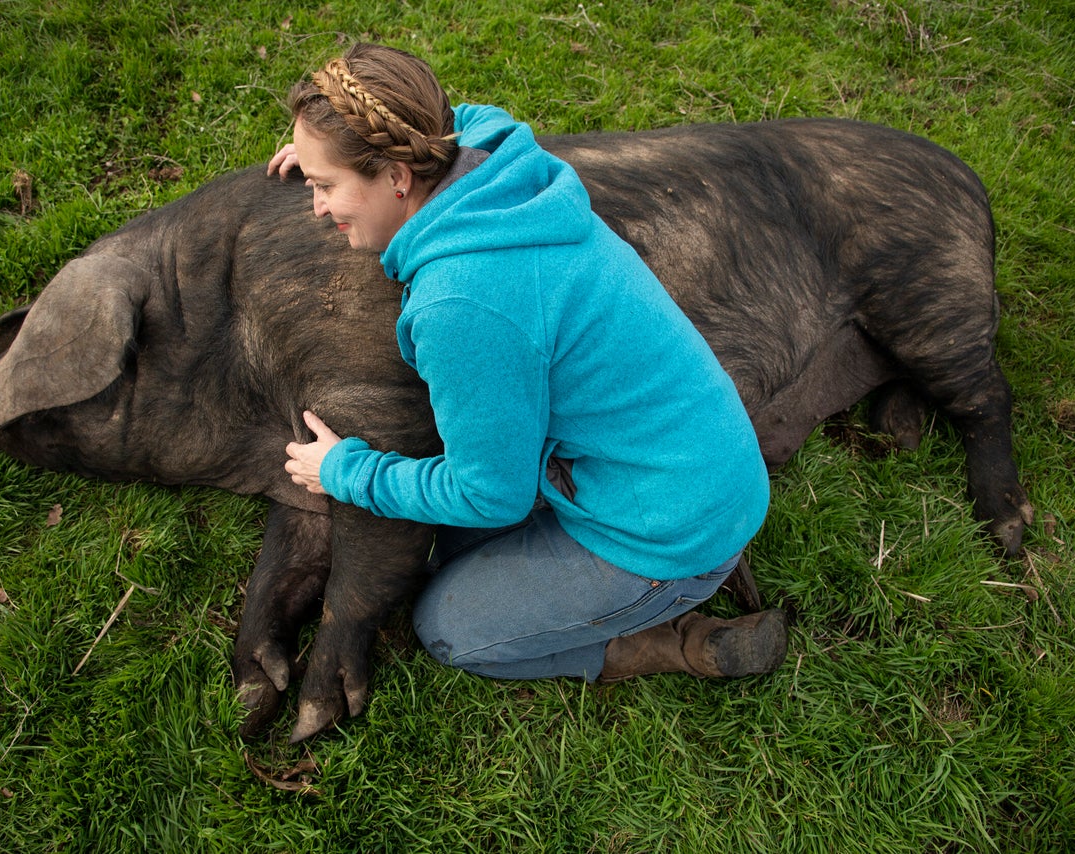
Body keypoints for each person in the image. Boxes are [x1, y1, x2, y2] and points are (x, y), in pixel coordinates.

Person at [274, 43, 787, 683]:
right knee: (454, 549)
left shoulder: (464, 305)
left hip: (664, 529)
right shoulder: (486, 145)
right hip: (693, 462)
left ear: (398, 175)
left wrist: (348, 472)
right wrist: (329, 149)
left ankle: (664, 637)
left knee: (447, 626)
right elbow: (441, 116)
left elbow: (490, 495)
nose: (317, 206)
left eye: (325, 188)